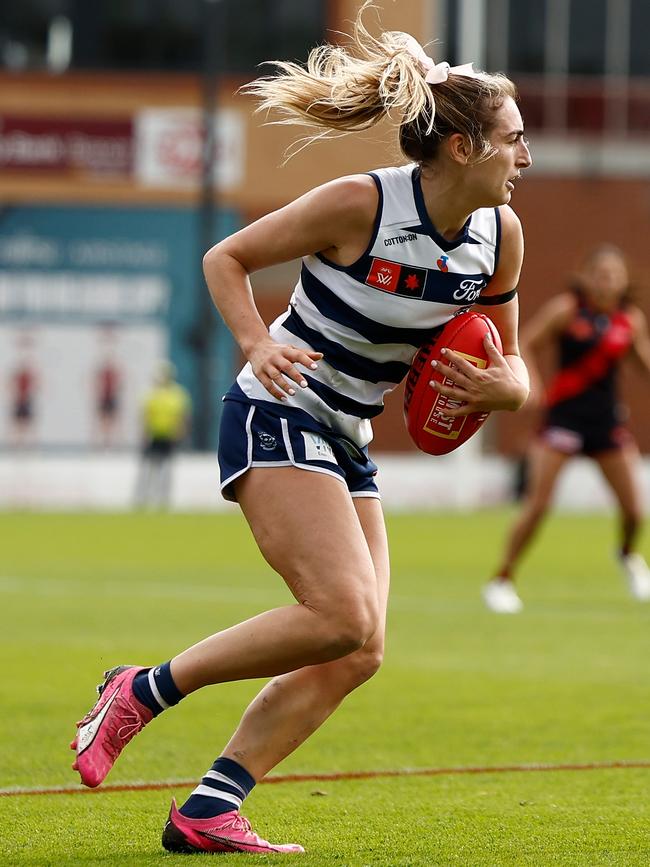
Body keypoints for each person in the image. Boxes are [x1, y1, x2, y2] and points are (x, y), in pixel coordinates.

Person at [70, 3, 532, 855]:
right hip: (276, 410)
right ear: (463, 147)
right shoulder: (361, 203)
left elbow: (513, 363)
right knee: (343, 611)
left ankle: (209, 807)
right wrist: (255, 341)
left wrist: (508, 390)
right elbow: (226, 258)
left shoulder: (498, 238)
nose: (525, 156)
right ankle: (141, 687)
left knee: (360, 646)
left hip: (344, 434)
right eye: (513, 138)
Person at [484, 244, 650, 614]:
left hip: (606, 423)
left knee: (635, 511)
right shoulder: (566, 310)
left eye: (614, 275)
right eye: (600, 274)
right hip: (562, 421)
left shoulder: (630, 320)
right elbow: (524, 341)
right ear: (587, 277)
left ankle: (626, 555)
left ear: (623, 281)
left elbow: (643, 362)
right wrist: (533, 384)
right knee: (538, 505)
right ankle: (502, 580)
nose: (607, 281)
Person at [133, 361, 192, 509]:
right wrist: (144, 433)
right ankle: (142, 497)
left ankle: (162, 499)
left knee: (165, 469)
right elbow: (145, 415)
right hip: (154, 436)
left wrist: (181, 431)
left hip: (169, 436)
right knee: (148, 468)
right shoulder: (152, 393)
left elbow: (183, 416)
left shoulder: (177, 393)